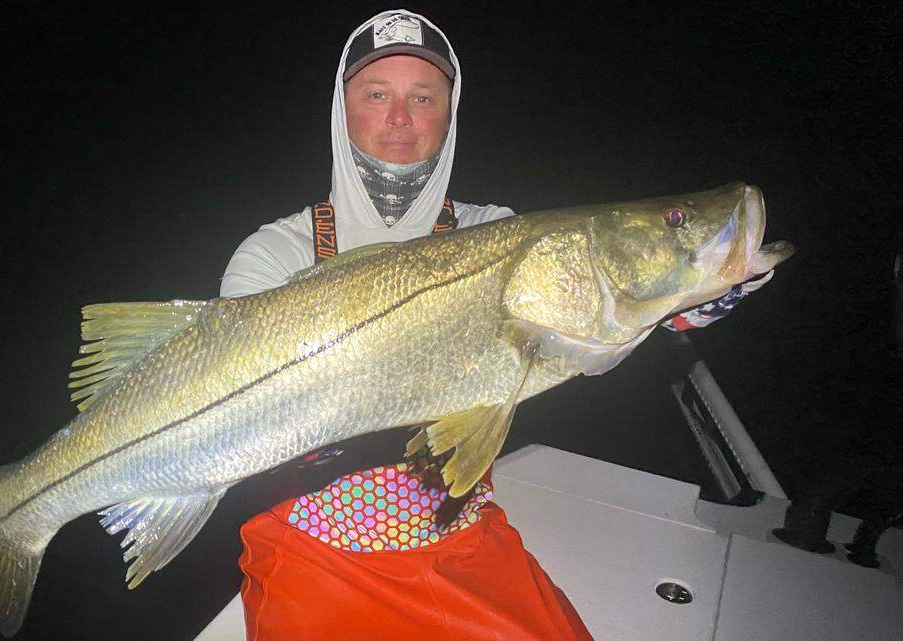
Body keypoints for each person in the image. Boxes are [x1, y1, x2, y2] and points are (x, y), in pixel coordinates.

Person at [221, 9, 758, 640]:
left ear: (449, 116)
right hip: (313, 547)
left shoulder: (491, 231)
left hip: (461, 534)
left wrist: (677, 305)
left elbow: (581, 348)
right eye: (376, 95)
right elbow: (235, 415)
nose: (400, 117)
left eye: (423, 97)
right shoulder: (275, 254)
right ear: (342, 113)